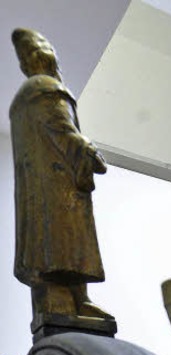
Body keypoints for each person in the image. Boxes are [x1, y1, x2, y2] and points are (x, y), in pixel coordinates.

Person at [9, 29, 113, 326]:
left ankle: (78, 297)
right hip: (53, 184)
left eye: (41, 46)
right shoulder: (42, 88)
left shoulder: (34, 91)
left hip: (59, 181)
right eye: (30, 52)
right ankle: (61, 296)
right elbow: (61, 128)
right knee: (58, 242)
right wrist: (87, 150)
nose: (38, 53)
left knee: (68, 241)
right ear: (25, 64)